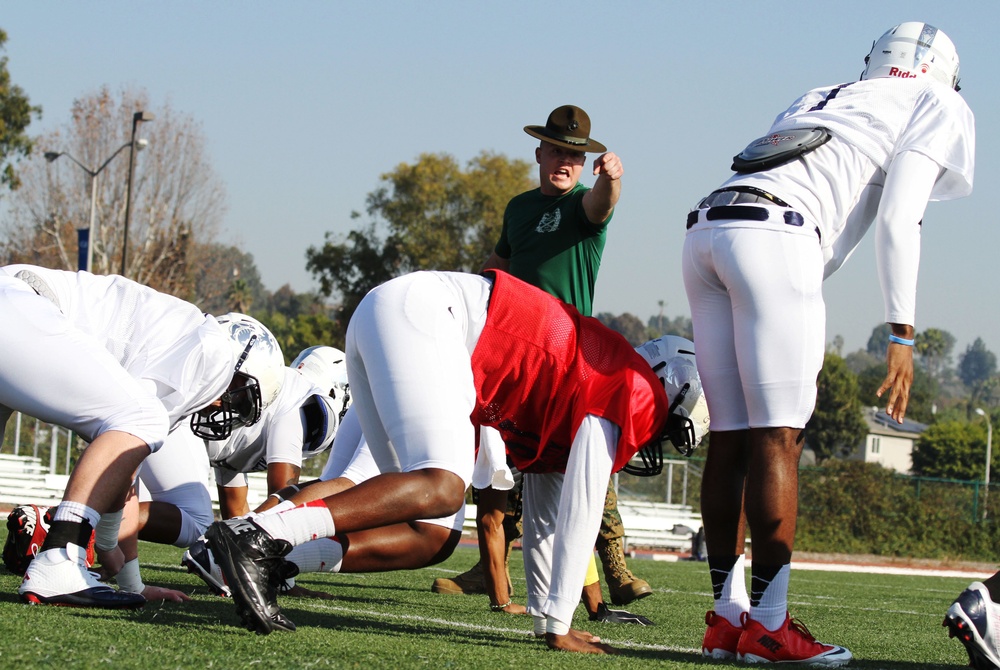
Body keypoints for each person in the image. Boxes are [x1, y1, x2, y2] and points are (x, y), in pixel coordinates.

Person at [204, 270, 706, 653]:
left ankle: (273, 554)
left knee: (429, 525)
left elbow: (548, 517)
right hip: (426, 315)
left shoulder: (602, 379)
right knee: (442, 485)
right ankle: (261, 536)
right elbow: (584, 506)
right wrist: (558, 627)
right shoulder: (635, 387)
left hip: (396, 311)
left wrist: (545, 615)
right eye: (671, 431)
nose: (654, 442)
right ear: (672, 393)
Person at [682, 22, 974, 665]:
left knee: (730, 437)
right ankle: (769, 625)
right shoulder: (939, 102)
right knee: (778, 437)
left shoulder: (823, 93)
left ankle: (727, 621)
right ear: (941, 70)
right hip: (775, 235)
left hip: (707, 227)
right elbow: (900, 217)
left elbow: (818, 198)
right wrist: (902, 330)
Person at [0, 265, 283, 608]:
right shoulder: (216, 354)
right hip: (22, 307)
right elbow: (130, 428)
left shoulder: (182, 341)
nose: (226, 406)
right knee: (142, 417)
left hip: (18, 304)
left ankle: (65, 555)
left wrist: (130, 581)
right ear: (241, 364)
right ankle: (60, 558)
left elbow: (125, 475)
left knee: (140, 422)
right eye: (240, 396)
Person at [464, 103, 649, 607]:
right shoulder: (518, 208)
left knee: (582, 462)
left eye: (575, 154)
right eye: (557, 151)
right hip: (514, 357)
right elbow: (497, 264)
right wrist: (459, 304)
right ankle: (495, 569)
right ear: (540, 152)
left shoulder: (584, 206)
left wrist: (613, 179)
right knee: (510, 462)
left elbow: (603, 206)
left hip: (568, 358)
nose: (565, 160)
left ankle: (611, 568)